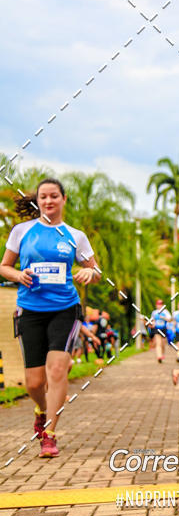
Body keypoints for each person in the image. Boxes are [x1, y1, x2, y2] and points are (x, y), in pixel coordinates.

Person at [0, 178, 99, 457]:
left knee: (57, 370)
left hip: (65, 308)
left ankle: (50, 434)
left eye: (54, 196)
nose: (48, 201)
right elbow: (4, 266)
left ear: (63, 199)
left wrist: (90, 273)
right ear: (37, 201)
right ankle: (41, 411)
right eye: (43, 197)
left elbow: (95, 270)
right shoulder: (22, 231)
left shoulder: (74, 236)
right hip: (29, 310)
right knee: (33, 382)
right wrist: (18, 274)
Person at [148, 298, 171, 362]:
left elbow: (169, 319)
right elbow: (152, 320)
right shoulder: (154, 312)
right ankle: (159, 356)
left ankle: (162, 354)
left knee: (163, 344)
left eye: (161, 304)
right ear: (156, 305)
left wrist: (163, 317)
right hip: (157, 329)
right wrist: (152, 324)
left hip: (163, 328)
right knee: (158, 343)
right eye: (158, 304)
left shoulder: (165, 312)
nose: (159, 306)